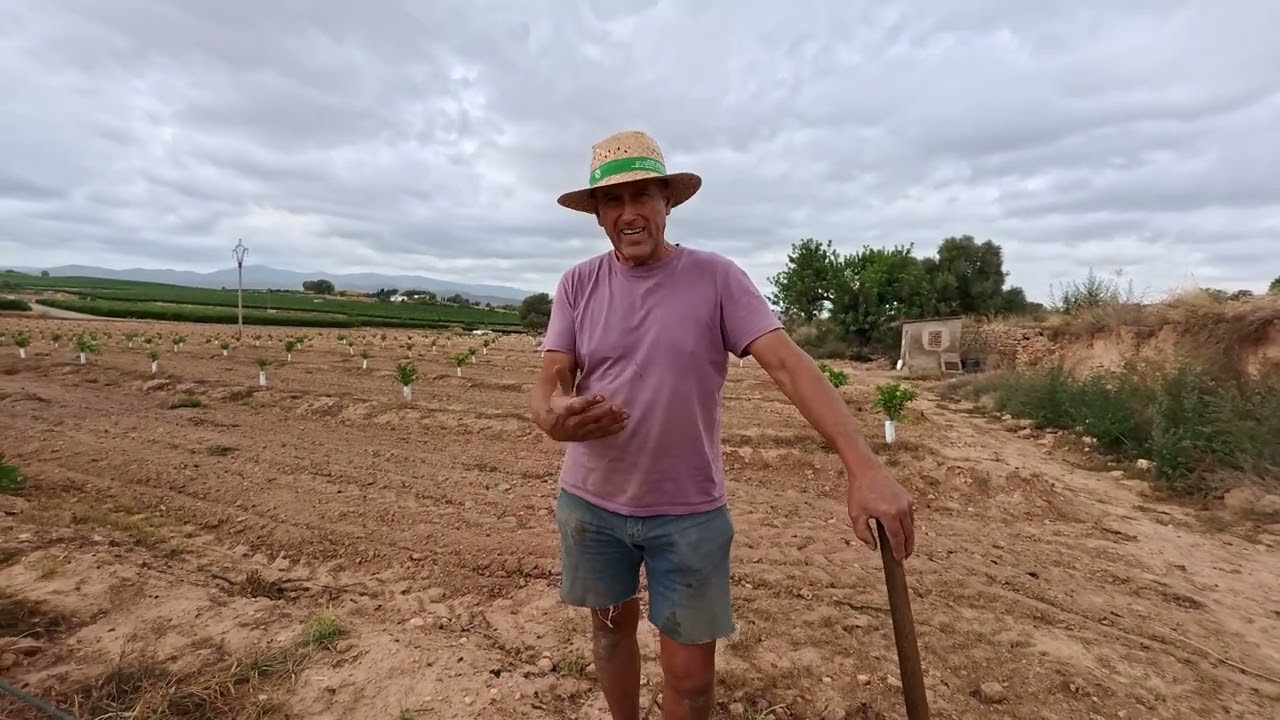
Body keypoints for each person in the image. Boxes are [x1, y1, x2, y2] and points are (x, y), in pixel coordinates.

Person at [529, 130, 915, 720]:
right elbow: (552, 376)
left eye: (642, 197)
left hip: (687, 515)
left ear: (667, 203)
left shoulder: (716, 279)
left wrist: (864, 466)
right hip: (592, 508)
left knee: (690, 680)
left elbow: (788, 365)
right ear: (599, 215)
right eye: (613, 201)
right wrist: (550, 414)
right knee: (608, 636)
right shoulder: (578, 284)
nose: (629, 213)